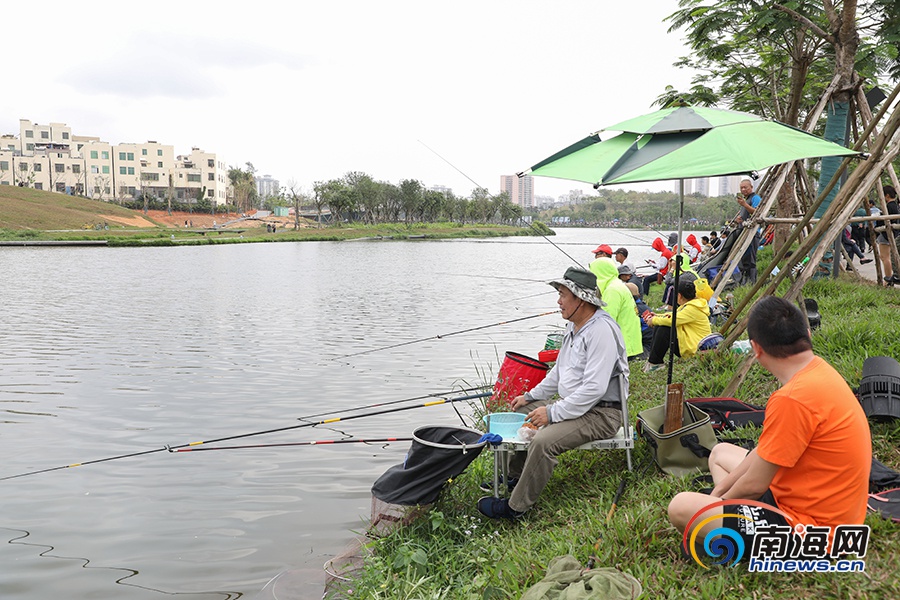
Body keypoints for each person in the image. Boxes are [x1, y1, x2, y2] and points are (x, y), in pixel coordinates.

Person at [667, 296, 871, 555]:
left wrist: (715, 505)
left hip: (815, 532)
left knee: (681, 506)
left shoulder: (792, 398)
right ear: (807, 333)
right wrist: (717, 497)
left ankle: (730, 536)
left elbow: (754, 485)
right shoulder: (819, 371)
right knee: (720, 453)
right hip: (828, 507)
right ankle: (730, 523)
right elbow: (762, 454)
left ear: (756, 348)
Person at [477, 268, 629, 520]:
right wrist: (529, 397)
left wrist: (552, 412)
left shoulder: (600, 330)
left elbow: (594, 388)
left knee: (543, 441)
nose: (558, 301)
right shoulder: (575, 326)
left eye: (562, 295)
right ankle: (515, 475)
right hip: (579, 407)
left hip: (603, 413)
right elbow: (558, 373)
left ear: (581, 299)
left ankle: (516, 508)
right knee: (522, 410)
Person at [642, 279, 711, 372]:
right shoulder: (694, 305)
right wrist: (657, 316)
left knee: (664, 328)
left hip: (695, 349)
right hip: (691, 342)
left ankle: (655, 362)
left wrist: (653, 320)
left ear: (679, 295)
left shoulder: (692, 309)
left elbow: (673, 320)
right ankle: (653, 361)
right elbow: (674, 315)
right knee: (661, 324)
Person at [590, 257, 643, 360]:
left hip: (622, 343)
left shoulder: (612, 290)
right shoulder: (617, 284)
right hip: (627, 340)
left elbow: (606, 318)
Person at [735, 179, 762, 284]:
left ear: (751, 187)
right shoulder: (745, 200)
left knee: (750, 260)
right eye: (741, 188)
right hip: (743, 232)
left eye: (745, 187)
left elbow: (757, 213)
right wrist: (739, 220)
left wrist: (744, 205)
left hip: (752, 233)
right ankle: (743, 282)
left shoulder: (755, 198)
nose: (743, 190)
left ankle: (752, 282)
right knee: (743, 259)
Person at [876, 185, 900, 285]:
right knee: (886, 257)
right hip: (891, 233)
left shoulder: (890, 206)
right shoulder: (896, 206)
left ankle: (888, 278)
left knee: (885, 257)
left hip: (886, 234)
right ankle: (890, 277)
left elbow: (886, 220)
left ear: (887, 195)